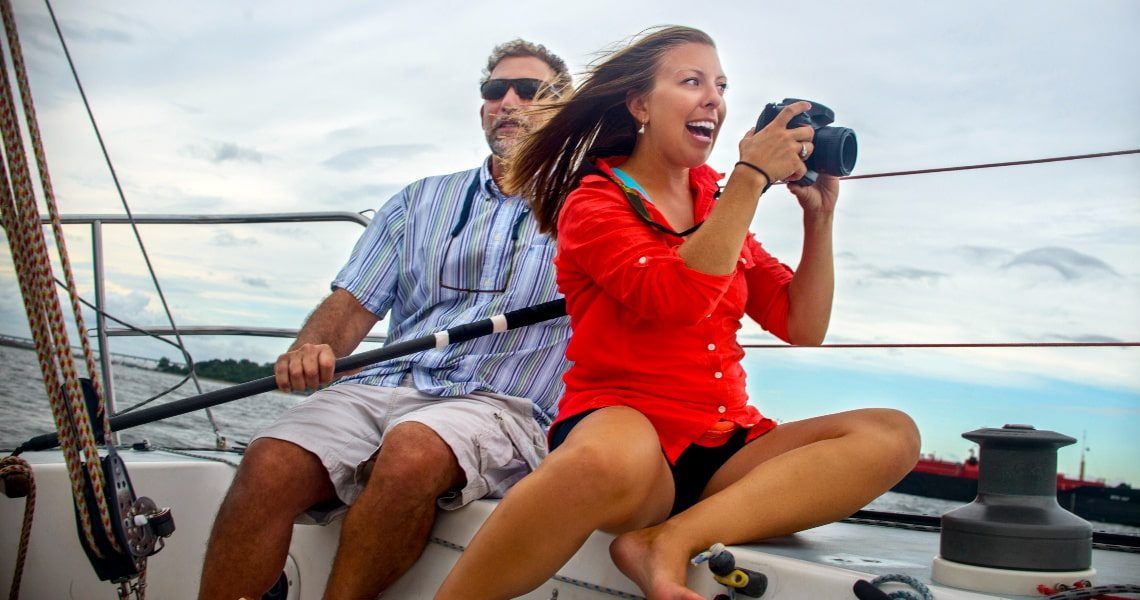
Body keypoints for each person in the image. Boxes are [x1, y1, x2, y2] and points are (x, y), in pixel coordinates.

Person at [435, 26, 920, 600]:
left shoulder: (716, 198)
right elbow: (676, 298)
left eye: (720, 85)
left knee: (892, 433)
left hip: (726, 449)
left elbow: (801, 325)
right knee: (608, 455)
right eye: (691, 82)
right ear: (640, 104)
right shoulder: (593, 202)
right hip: (627, 437)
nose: (713, 98)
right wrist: (750, 177)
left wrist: (820, 217)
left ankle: (667, 541)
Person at [197, 39, 572, 600]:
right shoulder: (418, 200)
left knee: (411, 452)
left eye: (530, 91)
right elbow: (351, 304)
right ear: (481, 108)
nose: (508, 101)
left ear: (561, 112)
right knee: (268, 460)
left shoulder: (593, 204)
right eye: (496, 90)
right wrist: (313, 345)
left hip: (500, 404)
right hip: (385, 385)